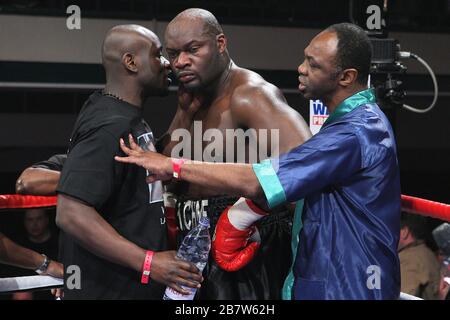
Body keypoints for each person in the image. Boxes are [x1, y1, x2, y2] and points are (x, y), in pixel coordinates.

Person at [116, 22, 402, 299]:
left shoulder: (355, 131)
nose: (301, 69)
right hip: (323, 275)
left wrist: (175, 167)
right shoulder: (346, 125)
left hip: (349, 284)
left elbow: (265, 180)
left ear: (346, 78)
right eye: (305, 59)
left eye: (314, 65)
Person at [157, 8, 311, 299]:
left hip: (250, 259)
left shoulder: (251, 95)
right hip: (197, 256)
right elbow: (167, 175)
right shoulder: (193, 97)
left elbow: (305, 168)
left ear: (220, 44)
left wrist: (248, 217)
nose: (180, 62)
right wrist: (183, 114)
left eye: (192, 50)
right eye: (173, 53)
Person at [55, 25, 202, 299]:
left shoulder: (121, 113)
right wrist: (150, 262)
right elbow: (70, 212)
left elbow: (145, 166)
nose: (168, 64)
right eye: (158, 55)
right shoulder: (109, 125)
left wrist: (183, 114)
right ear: (131, 62)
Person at [398, 212, 441, 299]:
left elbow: (403, 296)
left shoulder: (410, 257)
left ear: (404, 232)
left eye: (390, 229)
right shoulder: (422, 252)